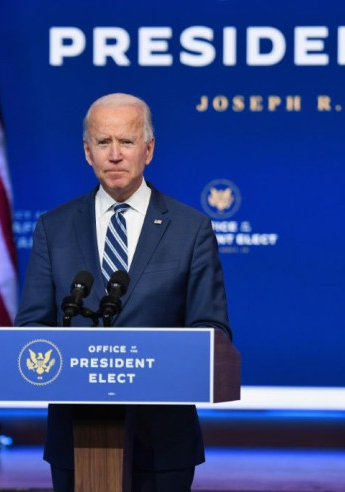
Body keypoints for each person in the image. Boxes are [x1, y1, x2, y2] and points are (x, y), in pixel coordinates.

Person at [14, 93, 231, 492]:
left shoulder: (190, 229)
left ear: (148, 150)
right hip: (75, 440)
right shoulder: (54, 227)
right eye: (103, 142)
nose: (114, 155)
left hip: (163, 442)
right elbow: (32, 326)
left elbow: (211, 330)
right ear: (87, 152)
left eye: (127, 142)